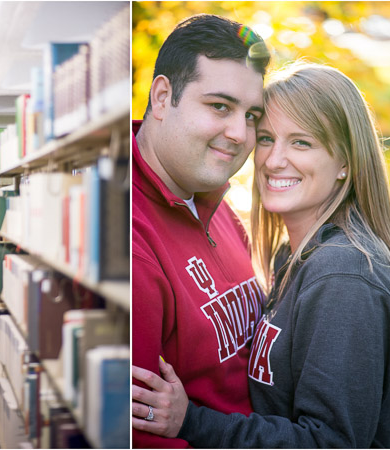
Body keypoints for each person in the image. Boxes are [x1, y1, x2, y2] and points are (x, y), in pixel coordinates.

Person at [132, 62, 390, 448]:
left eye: (301, 142)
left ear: (345, 163)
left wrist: (191, 422)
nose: (273, 160)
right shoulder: (298, 255)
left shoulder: (343, 277)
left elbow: (330, 442)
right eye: (266, 138)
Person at [131, 13, 270, 448]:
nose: (239, 133)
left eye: (251, 115)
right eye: (219, 106)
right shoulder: (129, 244)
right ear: (161, 97)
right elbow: (140, 433)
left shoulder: (214, 203)